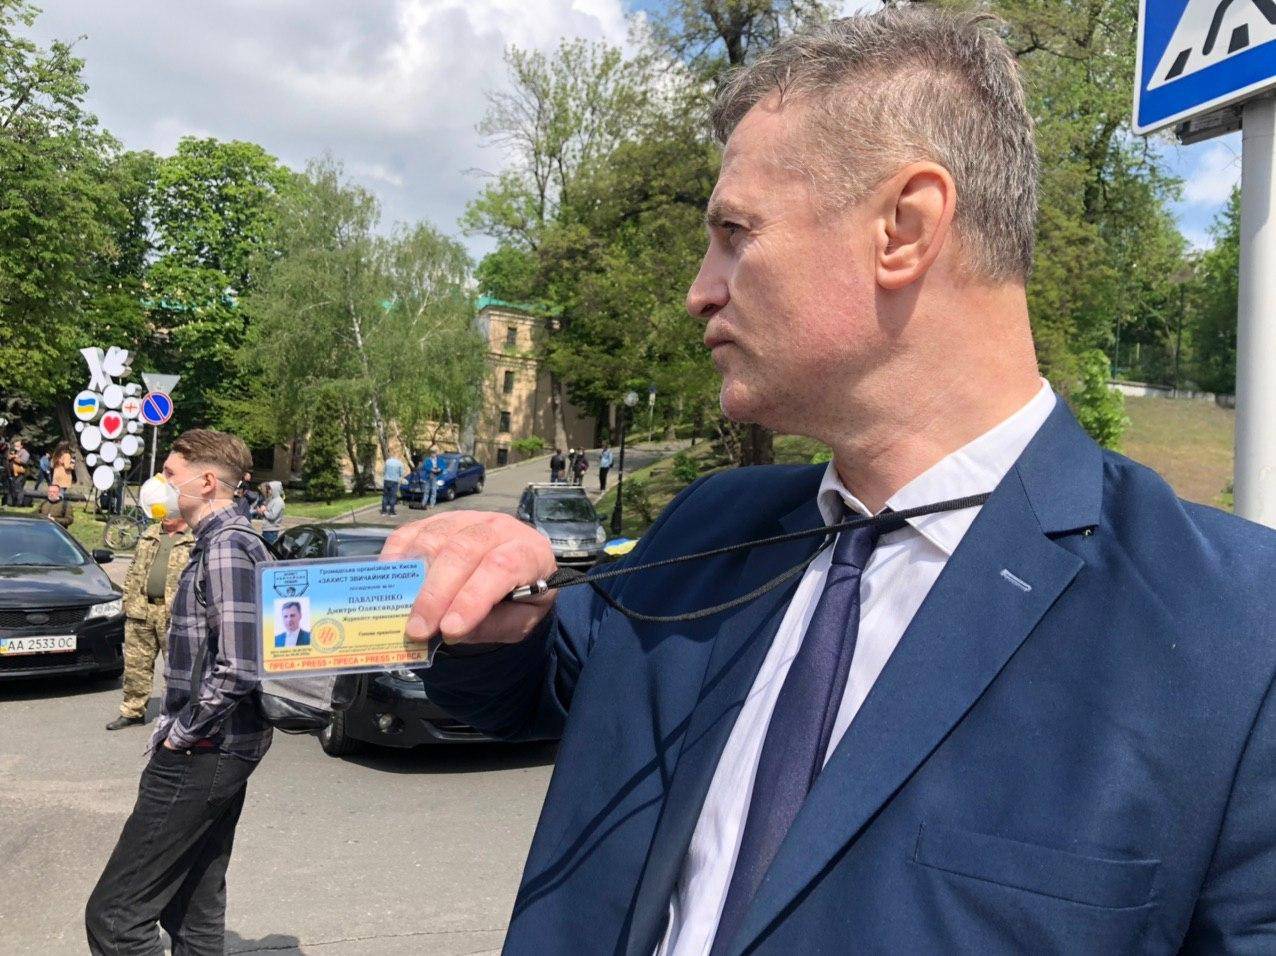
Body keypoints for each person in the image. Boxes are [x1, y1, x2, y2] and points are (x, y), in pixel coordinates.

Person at [382, 11, 1276, 953]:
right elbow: (532, 692)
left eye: (735, 233)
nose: (700, 289)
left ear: (905, 228)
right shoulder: (708, 529)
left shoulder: (1238, 632)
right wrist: (491, 610)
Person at [86, 428, 274, 955]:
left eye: (170, 474)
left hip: (205, 748)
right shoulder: (216, 542)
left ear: (207, 482)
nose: (161, 484)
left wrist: (181, 734)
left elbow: (239, 666)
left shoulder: (228, 546)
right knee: (191, 907)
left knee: (116, 919)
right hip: (216, 746)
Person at [106, 512, 194, 731]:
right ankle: (132, 712)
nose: (164, 516)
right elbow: (133, 570)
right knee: (136, 665)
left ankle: (177, 717)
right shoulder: (150, 534)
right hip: (141, 609)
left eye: (169, 510)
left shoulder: (194, 538)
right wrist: (127, 600)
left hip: (173, 613)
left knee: (177, 668)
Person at [257, 481, 285, 546]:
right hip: (267, 529)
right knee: (265, 548)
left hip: (271, 531)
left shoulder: (278, 502)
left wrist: (264, 511)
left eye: (270, 489)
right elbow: (268, 513)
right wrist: (261, 511)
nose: (268, 491)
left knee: (269, 549)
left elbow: (272, 516)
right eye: (268, 489)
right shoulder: (273, 499)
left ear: (275, 489)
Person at [6, 437, 29, 506]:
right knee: (11, 487)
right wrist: (10, 456)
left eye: (17, 445)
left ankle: (19, 503)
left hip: (21, 474)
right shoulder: (13, 451)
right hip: (12, 473)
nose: (16, 447)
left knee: (18, 487)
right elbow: (7, 457)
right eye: (15, 445)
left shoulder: (25, 453)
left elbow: (23, 461)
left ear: (21, 446)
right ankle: (10, 502)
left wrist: (14, 457)